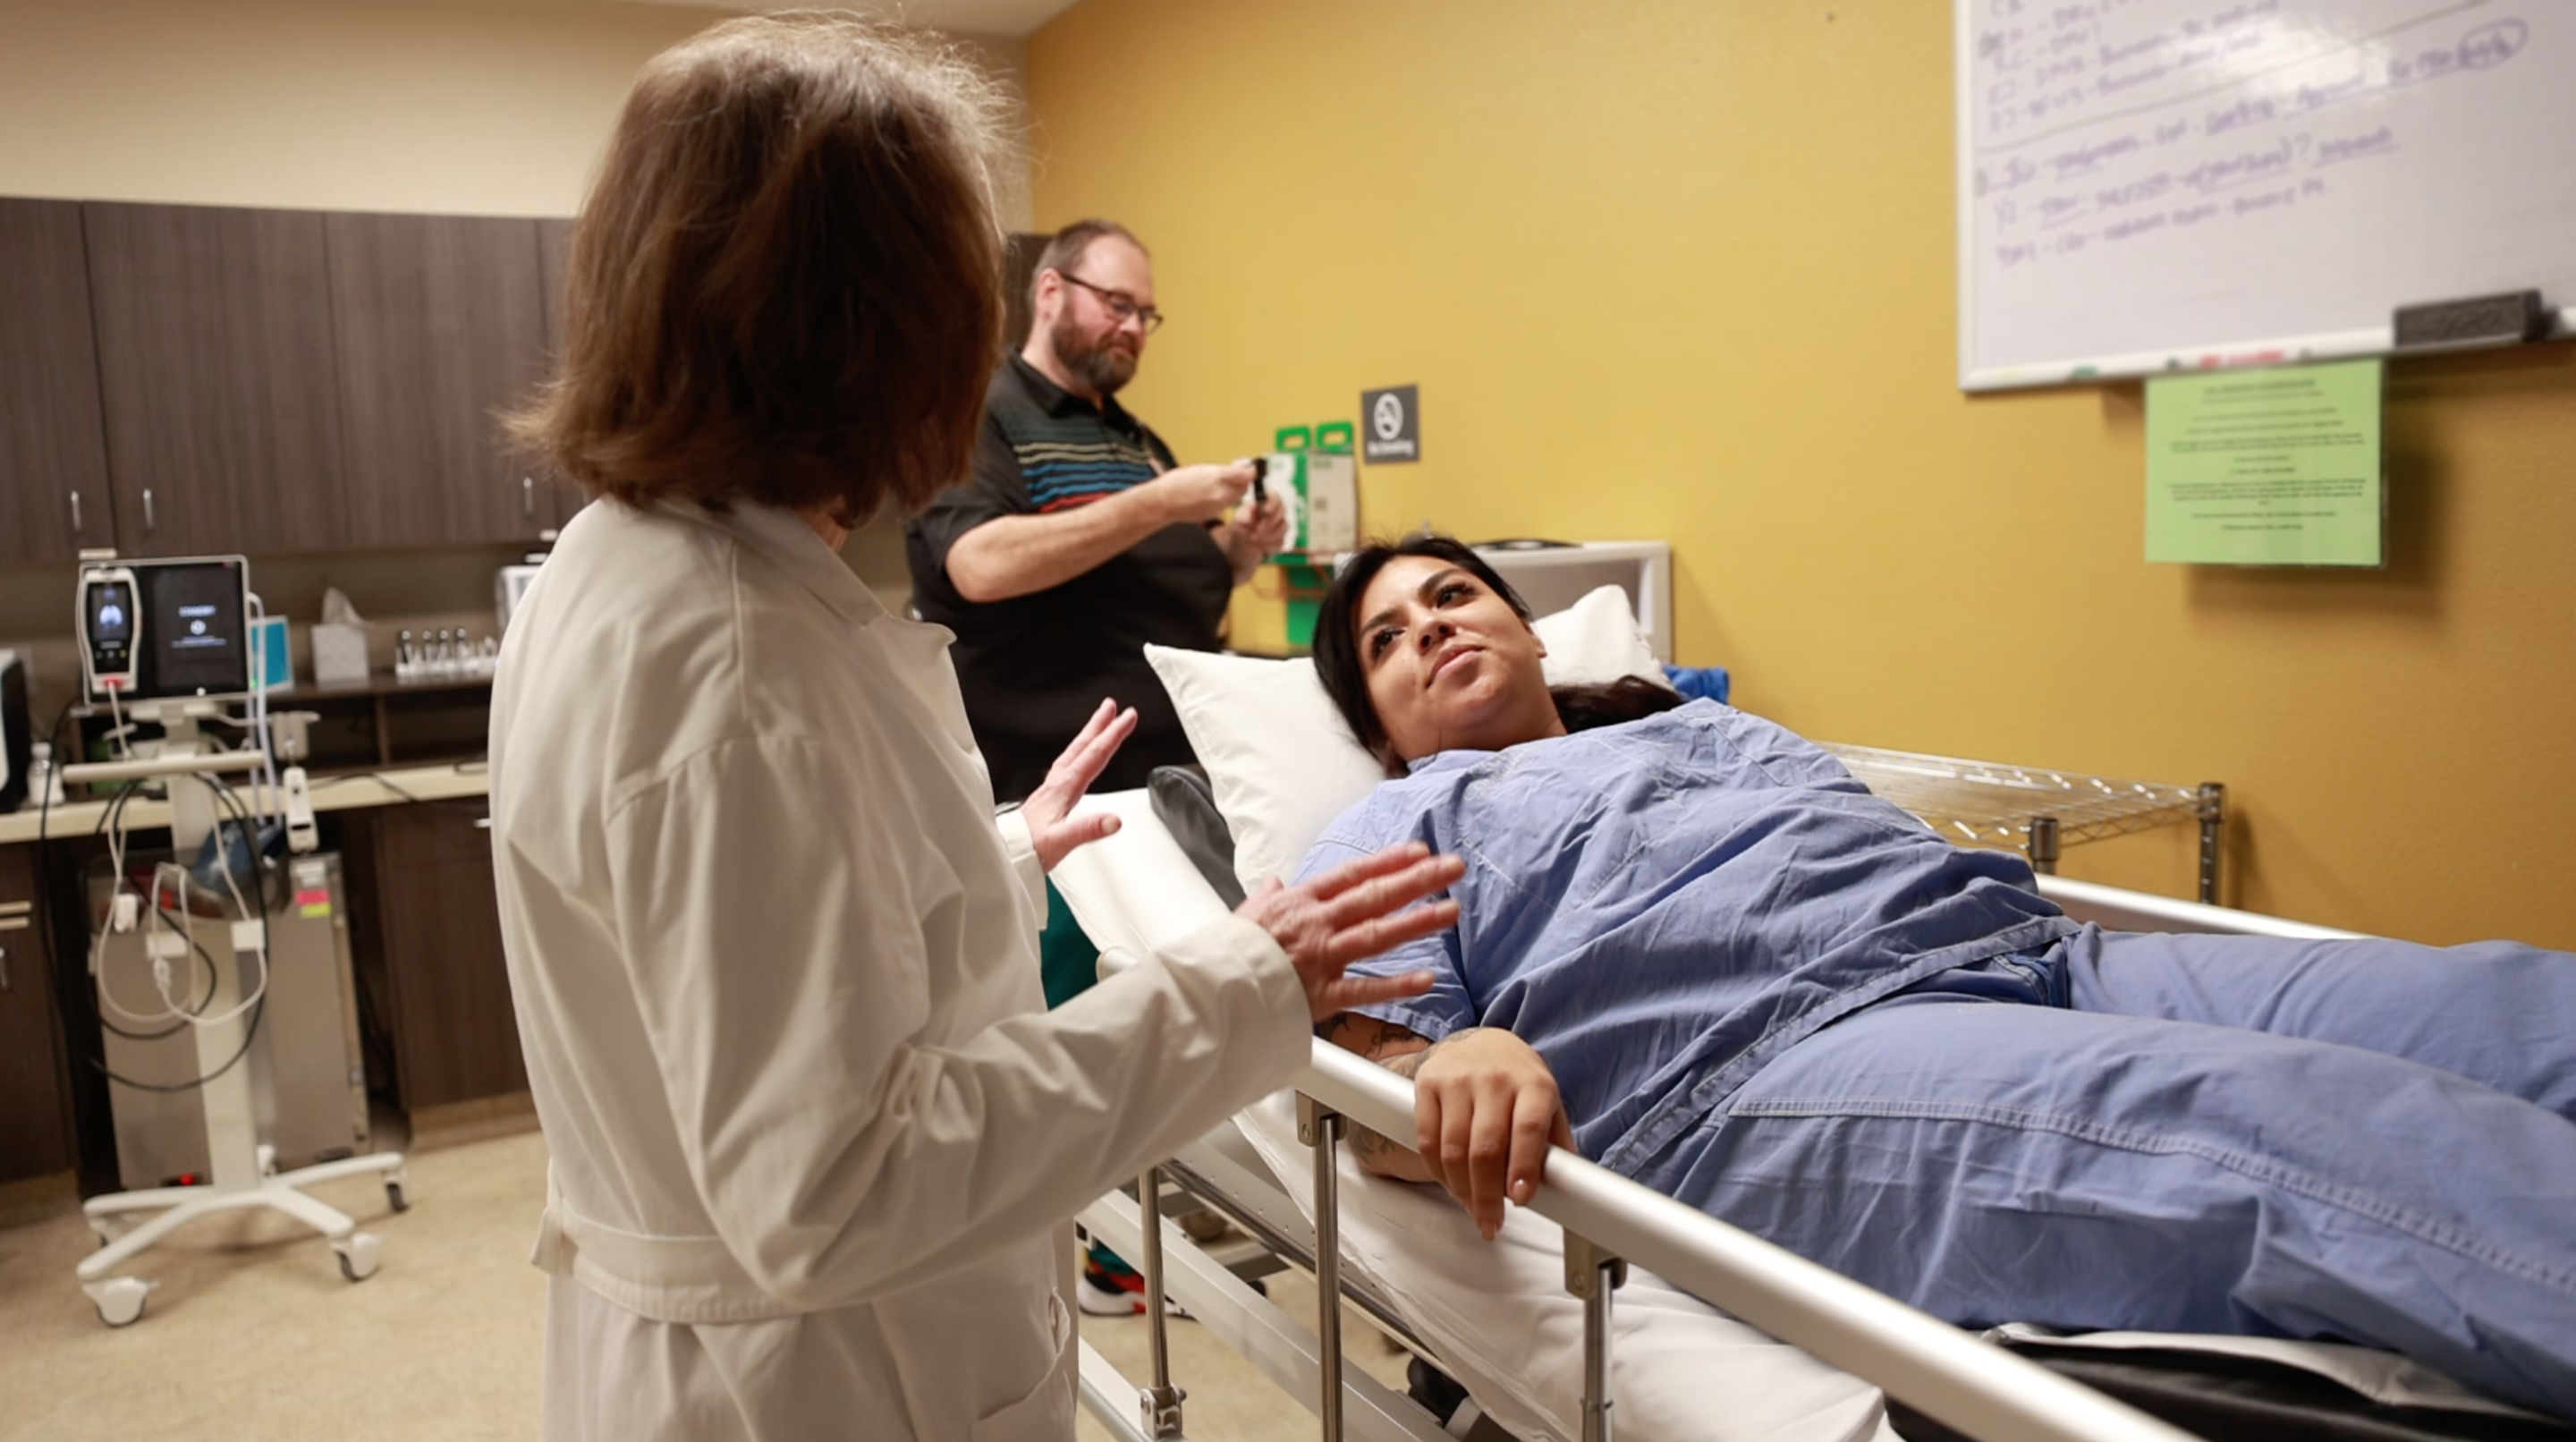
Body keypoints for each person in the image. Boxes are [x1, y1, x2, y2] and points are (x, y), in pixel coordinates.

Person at [487, 20, 1462, 1441]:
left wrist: (997, 859)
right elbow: (836, 1188)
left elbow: (751, 971)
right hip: (823, 1386)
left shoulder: (625, 567)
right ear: (885, 324)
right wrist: (1250, 984)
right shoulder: (742, 667)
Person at [1298, 533, 2576, 1421]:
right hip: (1769, 1060)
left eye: (1455, 597)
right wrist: (1443, 1062)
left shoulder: (1694, 722)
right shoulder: (1405, 818)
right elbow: (1366, 1054)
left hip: (2043, 952)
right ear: (1378, 726)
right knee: (2309, 1130)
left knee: (2504, 1010)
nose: (1434, 630)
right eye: (1390, 639)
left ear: (1522, 627)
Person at [904, 218, 1289, 806]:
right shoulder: (975, 414)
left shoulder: (1136, 438)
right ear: (1051, 292)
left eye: (1145, 315)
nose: (1133, 328)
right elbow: (980, 565)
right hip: (1055, 795)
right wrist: (1158, 502)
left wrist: (1242, 547)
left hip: (1183, 774)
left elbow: (1195, 569)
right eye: (1116, 305)